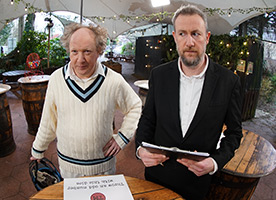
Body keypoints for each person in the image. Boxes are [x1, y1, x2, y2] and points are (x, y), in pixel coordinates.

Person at [135, 5, 242, 200]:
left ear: (207, 37)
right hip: (155, 178)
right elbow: (147, 119)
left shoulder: (228, 81)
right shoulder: (159, 75)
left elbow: (234, 133)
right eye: (183, 34)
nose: (189, 42)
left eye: (196, 34)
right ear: (175, 37)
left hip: (196, 183)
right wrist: (140, 149)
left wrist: (215, 163)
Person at [31, 23, 142, 178]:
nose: (80, 59)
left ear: (99, 51)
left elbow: (135, 106)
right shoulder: (57, 79)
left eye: (87, 52)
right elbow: (49, 119)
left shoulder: (114, 81)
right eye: (74, 52)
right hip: (68, 167)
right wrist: (38, 149)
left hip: (103, 167)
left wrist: (122, 138)